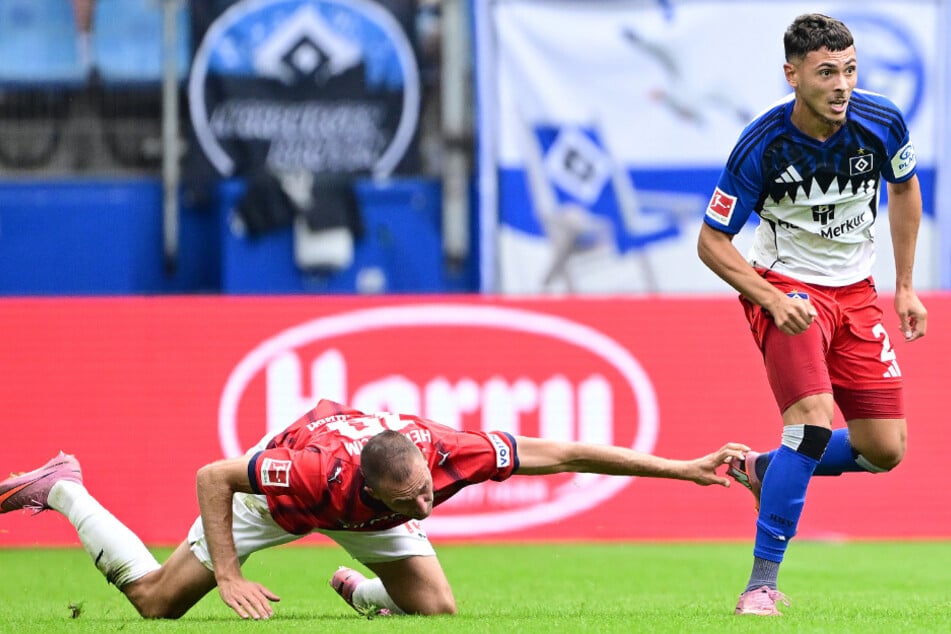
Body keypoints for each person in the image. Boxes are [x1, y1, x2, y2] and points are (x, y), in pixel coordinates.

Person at [1, 398, 749, 620]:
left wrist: (681, 469)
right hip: (278, 508)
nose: (429, 501)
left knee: (437, 610)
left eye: (427, 489)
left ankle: (360, 592)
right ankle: (63, 486)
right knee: (156, 605)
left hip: (363, 512)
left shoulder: (447, 452)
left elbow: (569, 453)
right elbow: (213, 475)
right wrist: (228, 573)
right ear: (371, 490)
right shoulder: (305, 475)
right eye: (412, 499)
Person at [697, 13, 928, 617]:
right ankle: (760, 585)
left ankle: (761, 468)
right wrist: (770, 298)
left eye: (850, 70)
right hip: (788, 290)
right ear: (792, 75)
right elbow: (712, 241)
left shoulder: (881, 122)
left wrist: (904, 286)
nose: (842, 85)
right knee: (812, 423)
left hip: (856, 293)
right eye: (827, 72)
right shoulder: (762, 143)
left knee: (886, 449)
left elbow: (904, 189)